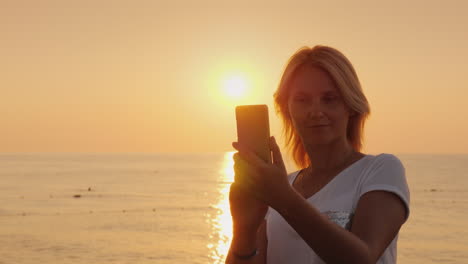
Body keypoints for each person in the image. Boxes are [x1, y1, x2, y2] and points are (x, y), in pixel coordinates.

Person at [225, 45, 410, 264]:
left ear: (350, 106)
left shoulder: (379, 171)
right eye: (302, 100)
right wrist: (243, 230)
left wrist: (283, 197)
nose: (315, 111)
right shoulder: (279, 187)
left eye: (329, 99)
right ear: (287, 109)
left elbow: (363, 258)